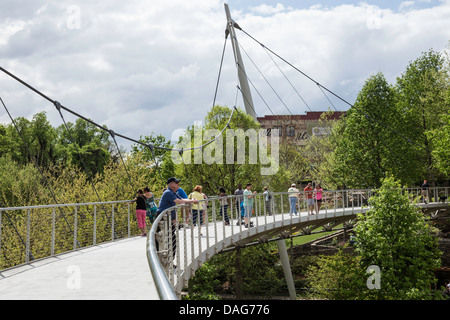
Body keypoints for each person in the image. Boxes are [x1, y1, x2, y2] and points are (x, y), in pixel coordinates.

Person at [156, 177, 199, 255]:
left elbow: (183, 199)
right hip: (162, 218)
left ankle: (170, 261)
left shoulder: (174, 193)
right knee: (162, 239)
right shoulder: (168, 192)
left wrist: (192, 201)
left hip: (168, 218)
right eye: (176, 183)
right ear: (171, 184)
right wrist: (193, 201)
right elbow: (180, 201)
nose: (178, 184)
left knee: (171, 239)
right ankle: (161, 258)